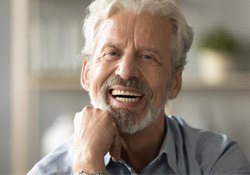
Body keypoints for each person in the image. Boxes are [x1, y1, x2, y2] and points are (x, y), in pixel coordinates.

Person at [28, 0, 250, 174]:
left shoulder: (218, 161)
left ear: (175, 82)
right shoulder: (47, 172)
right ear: (86, 73)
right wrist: (87, 160)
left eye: (147, 57)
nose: (125, 71)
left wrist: (90, 168)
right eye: (112, 53)